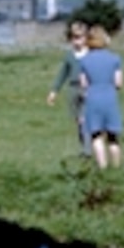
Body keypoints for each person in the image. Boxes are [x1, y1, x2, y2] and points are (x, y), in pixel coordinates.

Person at [77, 29, 124, 168]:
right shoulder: (115, 59)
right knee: (113, 137)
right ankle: (116, 166)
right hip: (110, 98)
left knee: (96, 135)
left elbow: (83, 84)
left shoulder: (84, 61)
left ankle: (102, 167)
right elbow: (119, 83)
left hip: (93, 98)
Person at [46, 21, 92, 154]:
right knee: (79, 121)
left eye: (80, 37)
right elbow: (62, 74)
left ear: (86, 38)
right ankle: (84, 146)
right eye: (74, 38)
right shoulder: (69, 56)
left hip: (87, 90)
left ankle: (88, 151)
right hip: (73, 90)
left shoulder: (91, 55)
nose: (76, 41)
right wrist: (54, 91)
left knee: (85, 120)